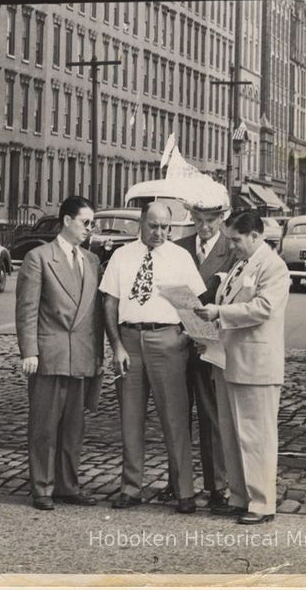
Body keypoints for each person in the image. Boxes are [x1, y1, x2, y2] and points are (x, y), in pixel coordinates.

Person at [101, 201, 205, 514]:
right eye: (153, 226)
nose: (159, 233)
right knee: (130, 418)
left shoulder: (180, 257)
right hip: (129, 340)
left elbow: (194, 304)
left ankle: (184, 491)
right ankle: (130, 488)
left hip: (168, 342)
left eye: (165, 228)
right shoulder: (122, 255)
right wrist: (116, 345)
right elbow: (109, 304)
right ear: (141, 223)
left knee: (175, 418)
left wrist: (188, 335)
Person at [195, 209, 290, 525]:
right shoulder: (241, 265)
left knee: (257, 437)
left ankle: (262, 503)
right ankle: (240, 496)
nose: (231, 246)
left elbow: (263, 308)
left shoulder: (273, 267)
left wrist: (219, 312)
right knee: (234, 435)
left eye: (236, 240)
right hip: (229, 362)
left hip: (256, 365)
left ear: (255, 236)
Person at [15, 196, 103, 511]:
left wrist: (97, 357)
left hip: (81, 353)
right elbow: (26, 309)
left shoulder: (91, 261)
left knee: (74, 427)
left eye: (92, 223)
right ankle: (42, 486)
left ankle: (67, 485)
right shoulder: (38, 258)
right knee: (44, 426)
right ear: (66, 221)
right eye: (86, 222)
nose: (90, 229)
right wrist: (29, 351)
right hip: (49, 354)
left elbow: (96, 315)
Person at [167, 186, 236, 509]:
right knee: (177, 416)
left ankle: (217, 486)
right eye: (198, 219)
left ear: (222, 218)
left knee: (211, 416)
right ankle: (177, 482)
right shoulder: (177, 248)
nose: (204, 227)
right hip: (178, 343)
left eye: (211, 220)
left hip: (212, 346)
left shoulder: (232, 250)